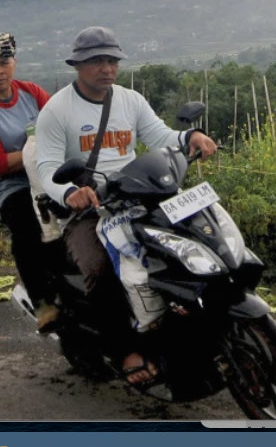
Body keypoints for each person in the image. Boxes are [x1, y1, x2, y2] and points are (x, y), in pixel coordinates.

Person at [34, 26, 217, 389]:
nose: (106, 69)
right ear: (77, 65)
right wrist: (71, 191)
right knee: (101, 269)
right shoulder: (57, 111)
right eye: (96, 61)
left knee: (195, 243)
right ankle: (125, 350)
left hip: (137, 198)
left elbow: (160, 136)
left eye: (112, 60)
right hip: (87, 212)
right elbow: (46, 168)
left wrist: (189, 137)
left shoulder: (130, 101)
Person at [0, 32, 61, 333]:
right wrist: (33, 151)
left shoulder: (31, 93)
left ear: (14, 63)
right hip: (10, 187)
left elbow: (59, 123)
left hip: (47, 174)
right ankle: (42, 300)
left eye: (5, 61)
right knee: (29, 224)